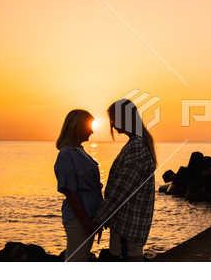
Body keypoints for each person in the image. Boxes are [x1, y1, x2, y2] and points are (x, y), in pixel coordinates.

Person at [94, 99, 157, 262]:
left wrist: (98, 220)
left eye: (114, 119)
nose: (113, 124)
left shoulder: (136, 146)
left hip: (128, 225)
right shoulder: (138, 143)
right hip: (131, 223)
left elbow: (120, 192)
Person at [54, 109, 103, 262]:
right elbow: (71, 193)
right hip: (79, 218)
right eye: (89, 126)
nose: (92, 131)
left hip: (88, 216)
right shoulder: (66, 154)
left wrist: (97, 219)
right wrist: (87, 223)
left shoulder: (80, 151)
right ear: (77, 127)